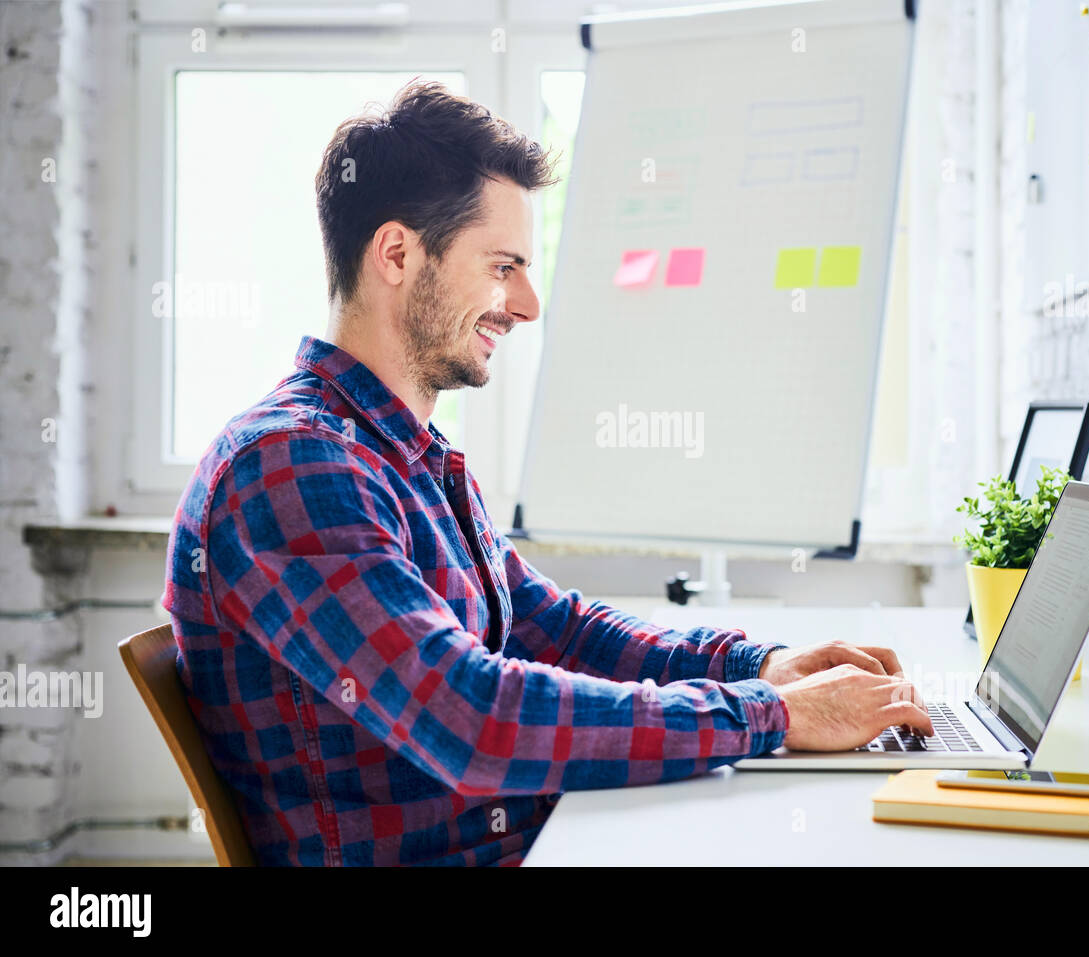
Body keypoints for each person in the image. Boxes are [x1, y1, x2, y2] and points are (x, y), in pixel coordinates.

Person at [162, 79, 932, 866]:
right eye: (503, 266)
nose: (526, 304)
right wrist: (769, 714)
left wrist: (755, 665)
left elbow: (551, 629)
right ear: (396, 253)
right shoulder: (289, 467)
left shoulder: (404, 455)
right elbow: (472, 718)